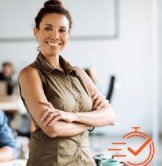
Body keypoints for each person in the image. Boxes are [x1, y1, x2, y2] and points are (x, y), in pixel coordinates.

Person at [18, 0, 116, 165]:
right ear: (36, 32)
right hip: (51, 161)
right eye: (48, 28)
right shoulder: (30, 74)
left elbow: (110, 116)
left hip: (85, 161)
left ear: (68, 35)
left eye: (62, 30)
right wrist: (91, 121)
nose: (55, 36)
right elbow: (53, 128)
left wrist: (72, 117)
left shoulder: (78, 73)